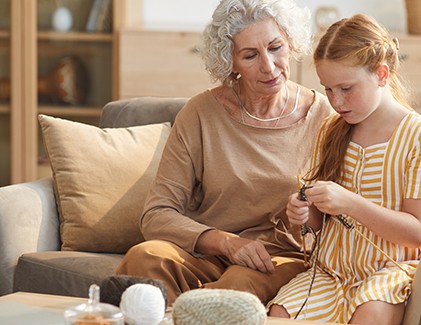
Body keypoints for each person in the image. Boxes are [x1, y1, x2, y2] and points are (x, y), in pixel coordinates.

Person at [115, 0, 333, 305]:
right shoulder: (200, 113)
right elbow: (156, 215)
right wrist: (227, 243)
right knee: (145, 257)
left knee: (238, 284)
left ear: (292, 42)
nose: (268, 66)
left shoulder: (325, 116)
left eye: (275, 47)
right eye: (250, 55)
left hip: (281, 259)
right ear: (229, 62)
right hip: (212, 251)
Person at [268, 14, 421, 324]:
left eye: (346, 88)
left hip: (389, 273)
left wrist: (349, 202)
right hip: (330, 273)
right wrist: (303, 213)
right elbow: (319, 222)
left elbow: (418, 231)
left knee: (371, 312)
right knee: (280, 313)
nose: (336, 101)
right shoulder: (330, 130)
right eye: (328, 89)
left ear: (381, 74)